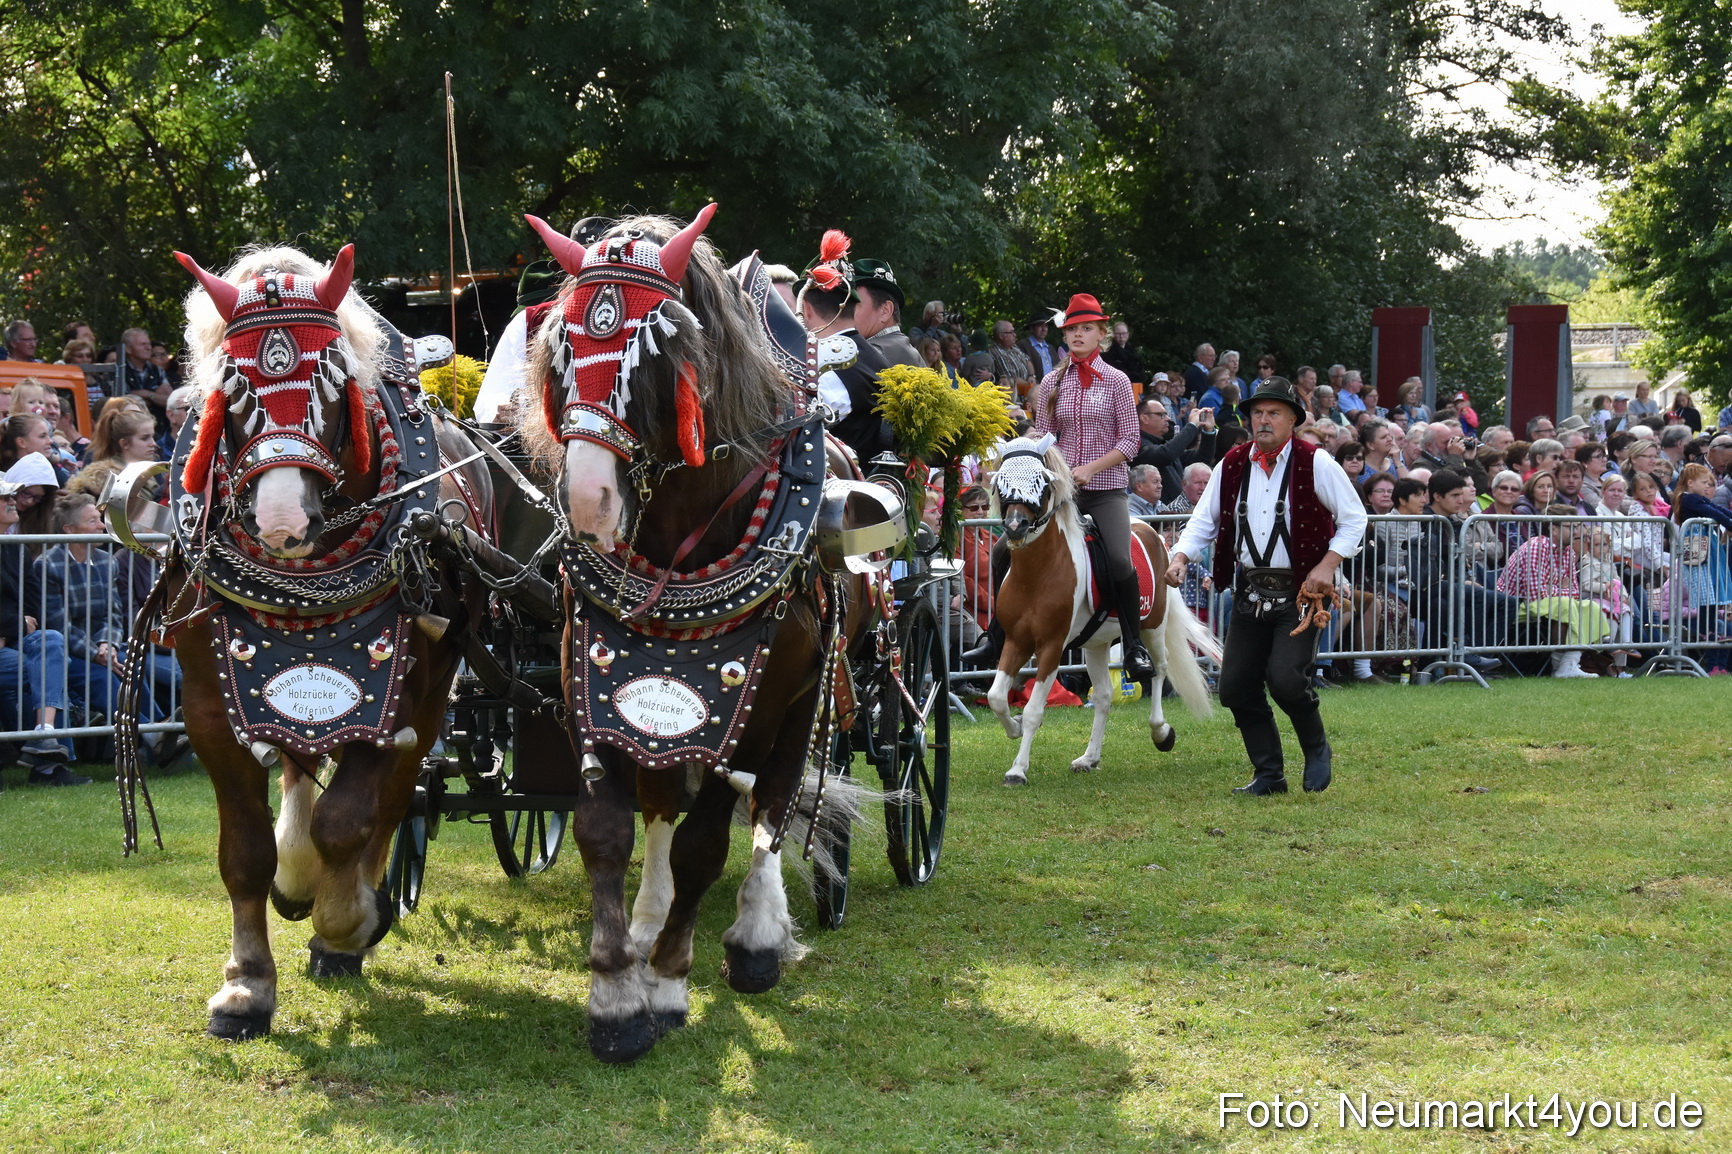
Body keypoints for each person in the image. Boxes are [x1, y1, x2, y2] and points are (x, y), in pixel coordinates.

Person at [1167, 376, 1366, 795]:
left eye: (1274, 412)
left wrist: (1328, 566)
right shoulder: (1233, 462)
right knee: (1236, 687)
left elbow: (1354, 520)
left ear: (1293, 419)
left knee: (1287, 679)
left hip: (1301, 594)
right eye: (1257, 412)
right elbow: (1204, 520)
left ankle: (1316, 748)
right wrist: (1181, 556)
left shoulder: (1317, 462)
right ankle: (1270, 774)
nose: (1263, 419)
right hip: (1249, 592)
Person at [962, 293, 1154, 680]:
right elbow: (1046, 436)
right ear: (1064, 335)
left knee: (1119, 558)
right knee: (1003, 549)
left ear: (1101, 333)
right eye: (1072, 329)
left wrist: (1089, 469)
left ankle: (1133, 644)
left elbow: (1130, 441)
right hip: (1061, 491)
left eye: (1087, 328)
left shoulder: (1117, 381)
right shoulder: (1051, 381)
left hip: (1106, 489)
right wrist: (1020, 445)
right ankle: (995, 636)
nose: (1078, 335)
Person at [35, 493, 183, 761]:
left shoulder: (107, 562)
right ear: (70, 529)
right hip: (71, 652)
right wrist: (96, 653)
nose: (102, 526)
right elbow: (58, 624)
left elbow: (113, 615)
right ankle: (154, 735)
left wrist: (109, 645)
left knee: (132, 662)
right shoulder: (48, 565)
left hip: (106, 646)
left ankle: (158, 729)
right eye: (93, 521)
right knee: (101, 677)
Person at [797, 232, 895, 462]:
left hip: (837, 491)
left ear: (807, 309)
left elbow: (793, 431)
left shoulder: (825, 365)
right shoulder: (875, 358)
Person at [1497, 508, 1612, 678]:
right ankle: (1560, 665)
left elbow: (1574, 591)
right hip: (1516, 603)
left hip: (1546, 603)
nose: (1575, 532)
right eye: (1569, 527)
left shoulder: (1569, 553)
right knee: (1564, 604)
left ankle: (1568, 663)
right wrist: (1559, 589)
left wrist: (1554, 588)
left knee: (1589, 606)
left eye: (1576, 527)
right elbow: (1537, 592)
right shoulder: (1536, 547)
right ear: (1553, 528)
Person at [850, 258, 923, 369]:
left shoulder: (871, 355)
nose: (845, 313)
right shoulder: (906, 349)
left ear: (886, 311)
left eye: (854, 305)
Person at [984, 317, 1036, 400]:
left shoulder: (1014, 347)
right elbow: (1012, 380)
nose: (1015, 335)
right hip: (1015, 399)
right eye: (1011, 332)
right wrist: (1031, 386)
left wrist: (1031, 375)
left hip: (1027, 391)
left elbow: (1027, 360)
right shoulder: (997, 353)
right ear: (1001, 336)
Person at [1101, 321, 1146, 386]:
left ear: (1128, 334)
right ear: (1113, 335)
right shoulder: (1107, 353)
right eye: (1118, 334)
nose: (1121, 336)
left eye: (1124, 333)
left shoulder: (1133, 353)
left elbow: (1141, 374)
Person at [1017, 313, 1059, 381]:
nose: (1044, 329)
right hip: (1034, 388)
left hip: (1053, 387)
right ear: (1031, 328)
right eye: (1040, 325)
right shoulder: (1023, 345)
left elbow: (1059, 367)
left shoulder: (1050, 348)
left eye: (1046, 326)